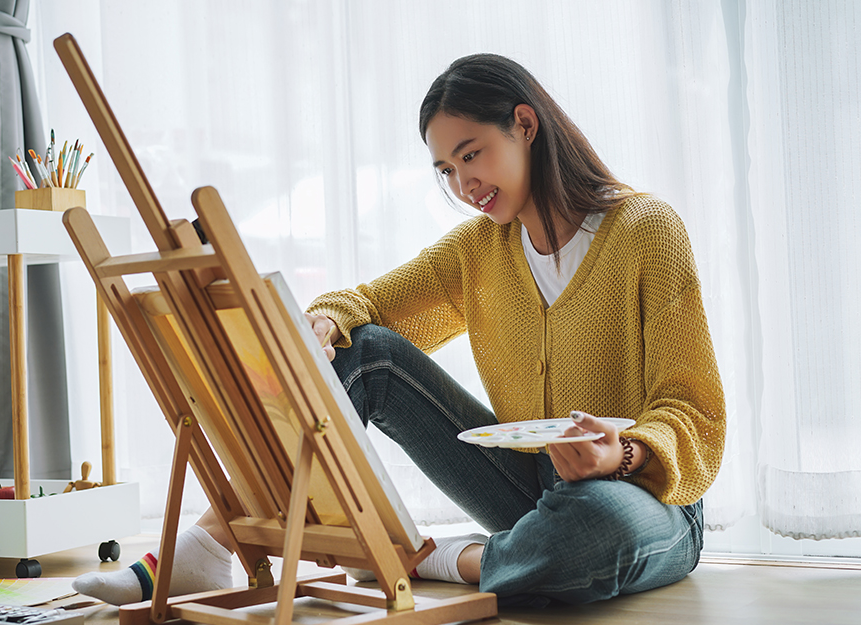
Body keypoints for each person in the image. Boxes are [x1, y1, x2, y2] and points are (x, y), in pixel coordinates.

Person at [73, 53, 725, 608]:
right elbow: (370, 304)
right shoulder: (480, 249)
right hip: (529, 487)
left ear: (524, 124)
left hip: (646, 498)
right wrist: (327, 318)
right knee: (365, 349)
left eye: (472, 155)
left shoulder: (646, 231)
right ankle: (213, 545)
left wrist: (622, 453)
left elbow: (692, 412)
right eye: (446, 170)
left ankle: (436, 557)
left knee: (590, 530)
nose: (465, 184)